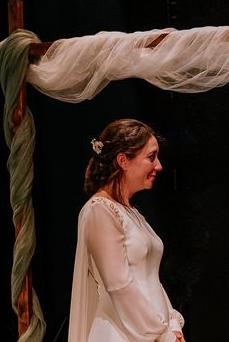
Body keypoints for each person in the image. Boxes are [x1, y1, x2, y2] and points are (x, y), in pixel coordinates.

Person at [68, 118, 186, 342]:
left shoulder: (131, 212)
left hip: (152, 332)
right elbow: (119, 285)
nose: (159, 166)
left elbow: (151, 278)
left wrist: (172, 324)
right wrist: (161, 333)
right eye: (151, 157)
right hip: (120, 334)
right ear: (123, 160)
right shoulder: (100, 211)